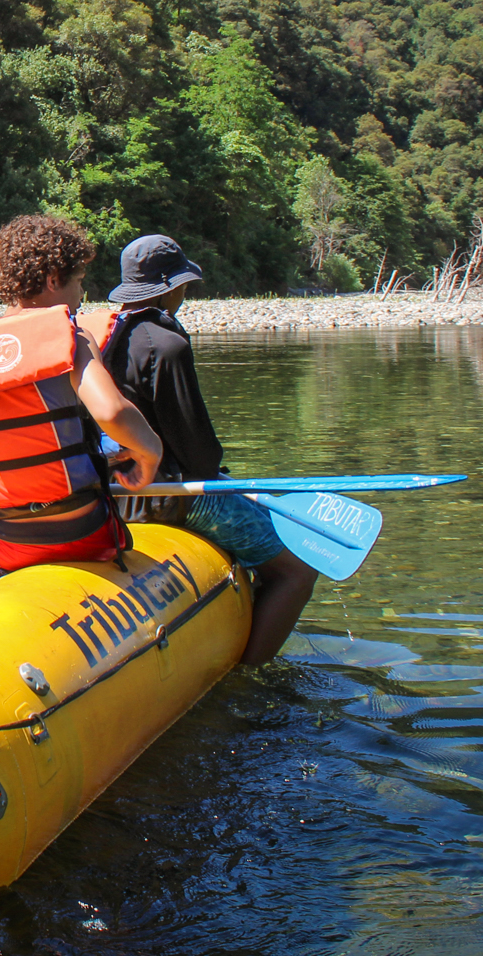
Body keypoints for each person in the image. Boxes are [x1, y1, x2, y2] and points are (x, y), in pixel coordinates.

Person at [81, 234, 318, 665]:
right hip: (165, 495)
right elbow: (199, 452)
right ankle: (252, 672)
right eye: (183, 285)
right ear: (169, 288)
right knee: (298, 573)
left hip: (112, 492)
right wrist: (220, 476)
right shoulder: (165, 344)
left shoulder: (101, 338)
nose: (185, 293)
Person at [0, 215, 162, 577]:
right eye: (79, 282)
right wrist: (150, 452)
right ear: (53, 279)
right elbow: (111, 412)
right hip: (90, 533)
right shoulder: (73, 336)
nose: (81, 295)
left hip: (5, 543)